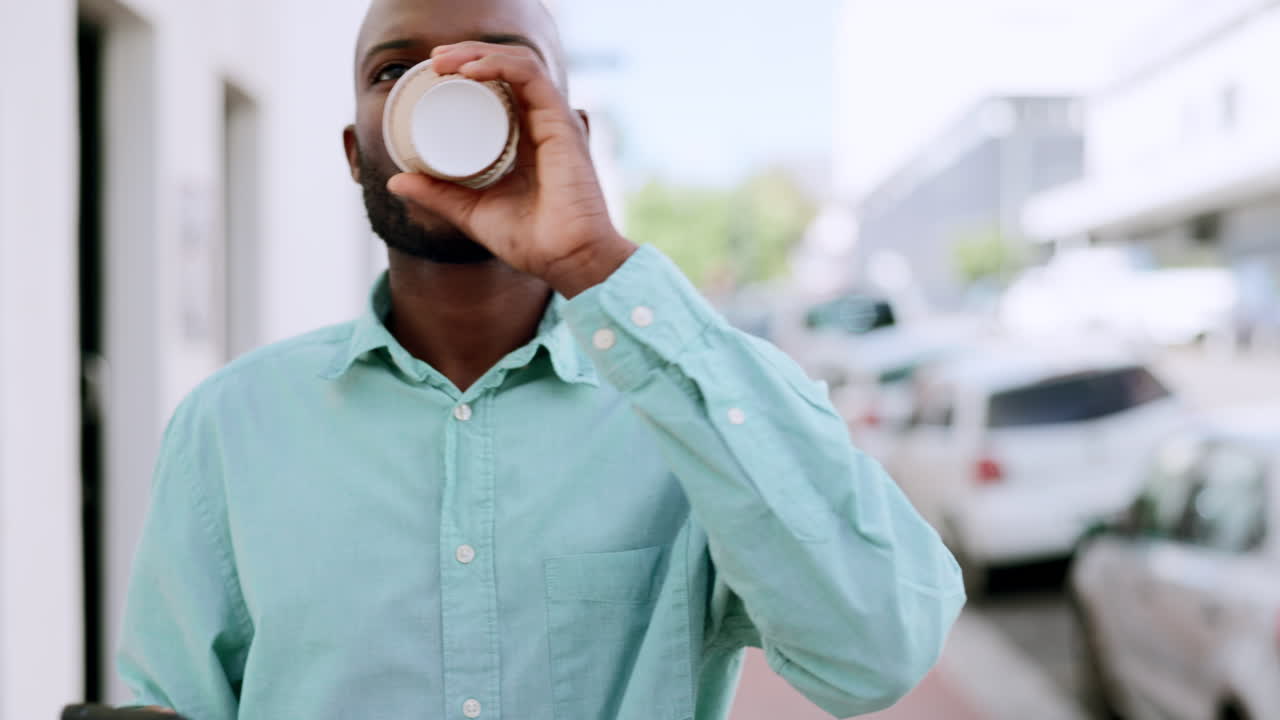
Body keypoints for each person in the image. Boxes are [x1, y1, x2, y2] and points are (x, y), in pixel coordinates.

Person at [116, 1, 965, 718]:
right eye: (392, 73)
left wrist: (601, 265)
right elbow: (173, 699)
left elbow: (878, 650)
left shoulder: (698, 403)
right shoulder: (232, 424)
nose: (444, 94)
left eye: (500, 71)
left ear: (573, 135)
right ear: (353, 151)